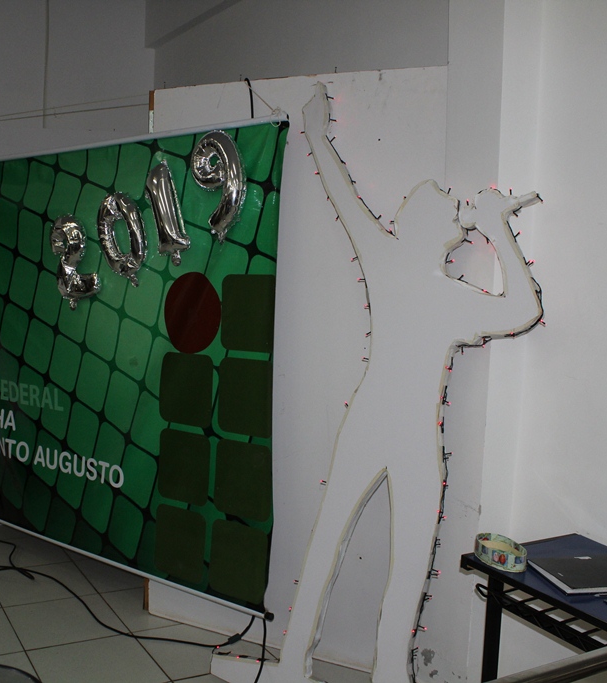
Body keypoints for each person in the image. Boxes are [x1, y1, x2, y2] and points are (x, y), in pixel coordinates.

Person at [215, 84, 543, 683]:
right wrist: (497, 228)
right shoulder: (424, 280)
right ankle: (325, 667)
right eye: (448, 205)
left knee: (366, 552)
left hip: (388, 427)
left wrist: (318, 135)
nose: (452, 208)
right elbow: (523, 307)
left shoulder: (400, 266)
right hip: (393, 430)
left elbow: (523, 310)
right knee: (375, 554)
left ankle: (343, 668)